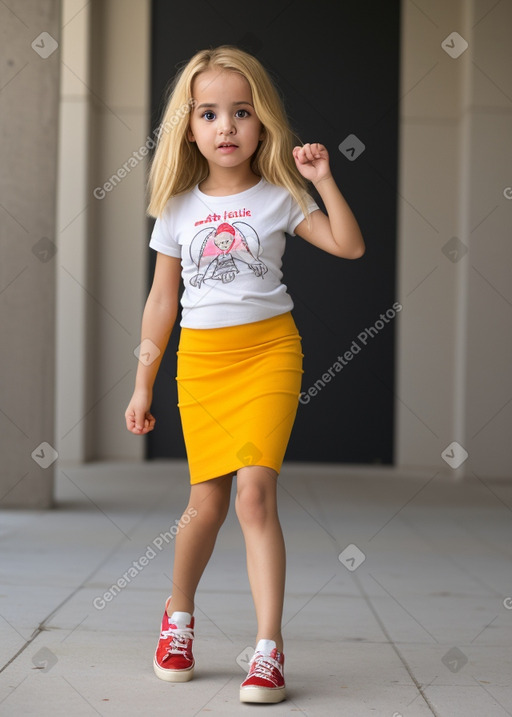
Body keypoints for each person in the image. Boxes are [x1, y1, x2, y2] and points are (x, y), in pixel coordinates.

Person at [124, 44, 365, 704]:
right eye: (209, 113)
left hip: (269, 354)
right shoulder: (175, 205)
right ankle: (177, 621)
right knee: (206, 503)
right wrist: (143, 382)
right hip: (200, 362)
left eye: (241, 111)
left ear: (262, 123)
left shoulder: (279, 197)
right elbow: (161, 301)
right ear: (190, 126)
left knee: (254, 494)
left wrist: (322, 180)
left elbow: (349, 244)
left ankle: (267, 650)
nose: (225, 126)